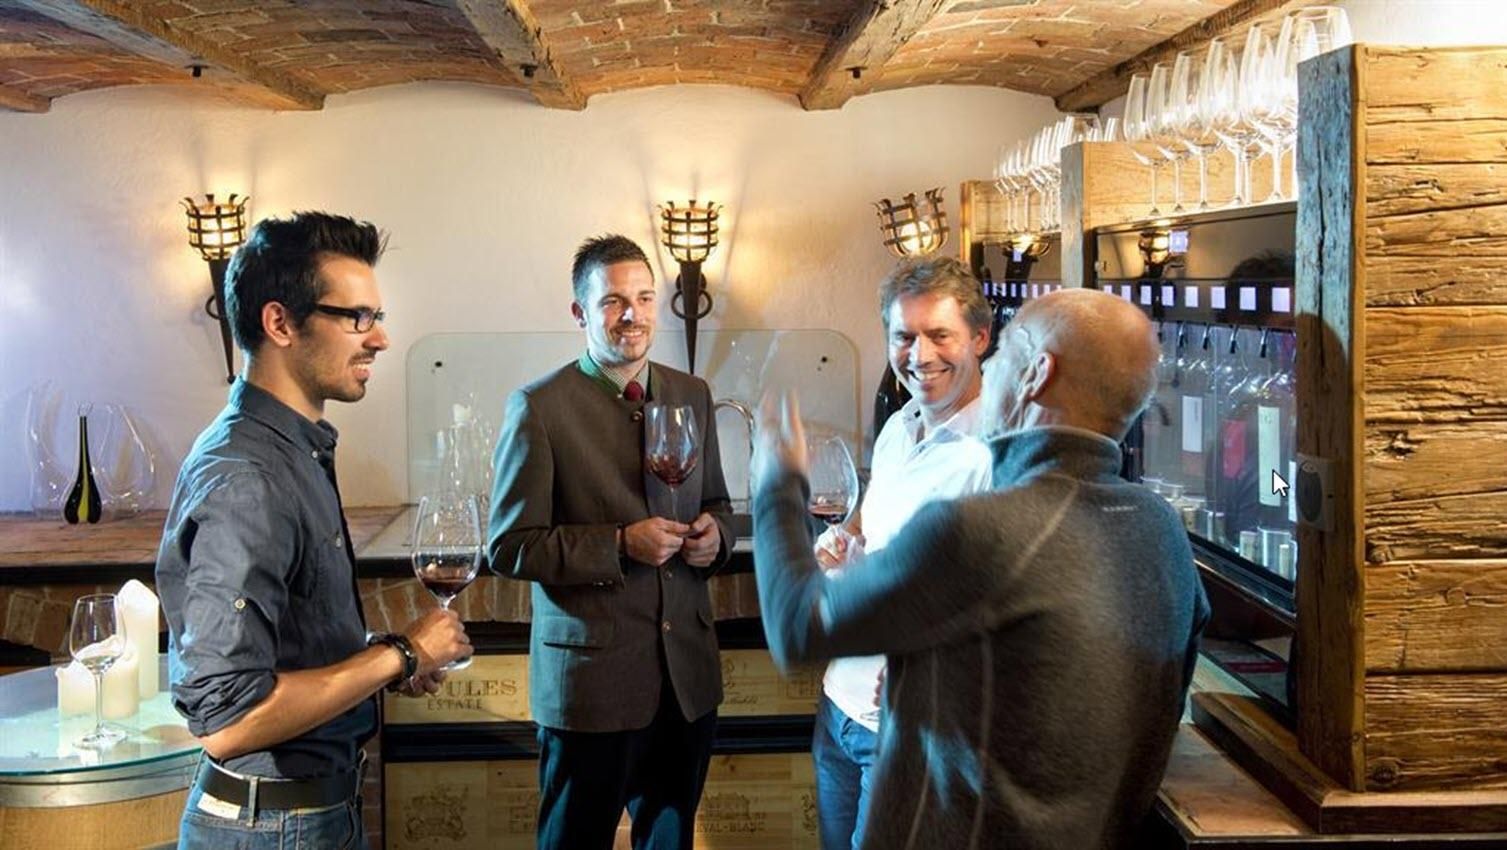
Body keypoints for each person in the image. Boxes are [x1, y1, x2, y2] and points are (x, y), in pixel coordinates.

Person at [752, 287, 1210, 849]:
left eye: (1005, 349)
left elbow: (798, 625)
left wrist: (776, 482)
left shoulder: (983, 527)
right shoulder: (1161, 528)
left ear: (1036, 373)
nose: (989, 368)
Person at [157, 212, 472, 850]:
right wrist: (401, 654)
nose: (380, 338)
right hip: (273, 829)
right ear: (280, 323)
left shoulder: (291, 449)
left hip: (308, 817)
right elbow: (228, 720)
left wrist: (383, 661)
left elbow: (291, 644)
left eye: (376, 316)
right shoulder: (248, 477)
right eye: (356, 317)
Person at [488, 234, 734, 850]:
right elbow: (510, 545)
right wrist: (621, 544)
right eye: (613, 301)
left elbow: (717, 504)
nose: (633, 314)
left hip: (686, 683)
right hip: (590, 688)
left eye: (644, 298)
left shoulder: (693, 394)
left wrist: (717, 538)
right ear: (580, 312)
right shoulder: (538, 408)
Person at [811, 256, 993, 850]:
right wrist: (844, 543)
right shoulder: (900, 424)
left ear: (980, 338)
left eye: (940, 334)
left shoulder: (996, 451)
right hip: (840, 706)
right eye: (904, 336)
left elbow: (998, 594)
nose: (920, 355)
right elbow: (874, 523)